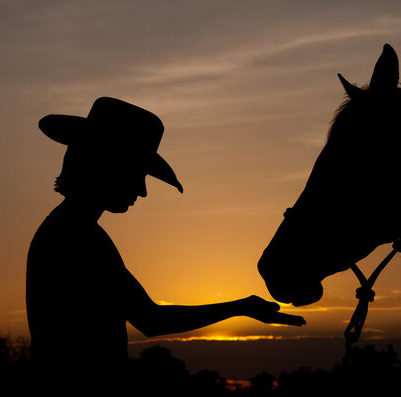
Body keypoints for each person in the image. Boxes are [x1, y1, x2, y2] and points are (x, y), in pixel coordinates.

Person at [26, 97, 305, 379]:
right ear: (108, 165)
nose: (143, 190)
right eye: (137, 172)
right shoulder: (79, 240)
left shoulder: (70, 231)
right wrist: (240, 307)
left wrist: (242, 307)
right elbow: (150, 319)